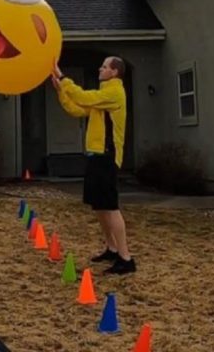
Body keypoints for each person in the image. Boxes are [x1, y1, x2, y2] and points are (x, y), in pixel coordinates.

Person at [51, 56, 136, 275]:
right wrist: (61, 91)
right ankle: (111, 248)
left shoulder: (114, 92)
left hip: (107, 157)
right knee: (98, 206)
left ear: (114, 72)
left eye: (105, 66)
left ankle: (126, 259)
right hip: (96, 156)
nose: (100, 68)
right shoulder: (102, 97)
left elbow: (82, 96)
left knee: (110, 206)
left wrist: (62, 77)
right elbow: (77, 109)